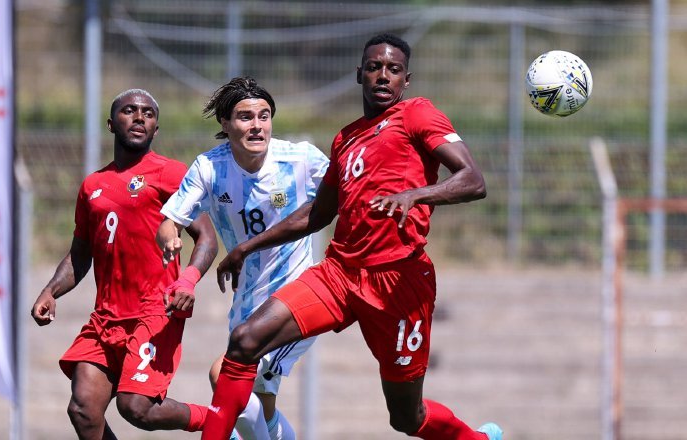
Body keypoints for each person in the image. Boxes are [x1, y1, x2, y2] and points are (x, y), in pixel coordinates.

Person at [203, 34, 504, 440]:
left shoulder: (418, 115)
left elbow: (473, 180)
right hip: (339, 274)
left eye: (393, 69)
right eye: (374, 67)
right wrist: (246, 246)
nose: (383, 75)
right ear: (359, 74)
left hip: (399, 282)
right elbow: (318, 213)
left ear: (406, 79)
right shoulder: (345, 139)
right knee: (244, 341)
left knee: (406, 417)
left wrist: (415, 195)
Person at [31, 88, 220, 440]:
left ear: (156, 128)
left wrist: (187, 282)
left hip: (154, 311)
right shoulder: (93, 186)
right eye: (129, 111)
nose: (139, 117)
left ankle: (219, 421)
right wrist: (50, 289)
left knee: (136, 407)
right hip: (106, 316)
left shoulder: (171, 174)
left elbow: (207, 238)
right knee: (83, 408)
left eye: (148, 113)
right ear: (110, 124)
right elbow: (79, 254)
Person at [156, 76, 329, 440]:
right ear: (225, 123)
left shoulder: (299, 159)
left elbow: (351, 192)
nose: (257, 126)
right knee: (258, 407)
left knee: (225, 377)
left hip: (299, 296)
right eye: (246, 117)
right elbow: (171, 220)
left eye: (264, 116)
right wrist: (170, 236)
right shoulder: (210, 168)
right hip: (248, 302)